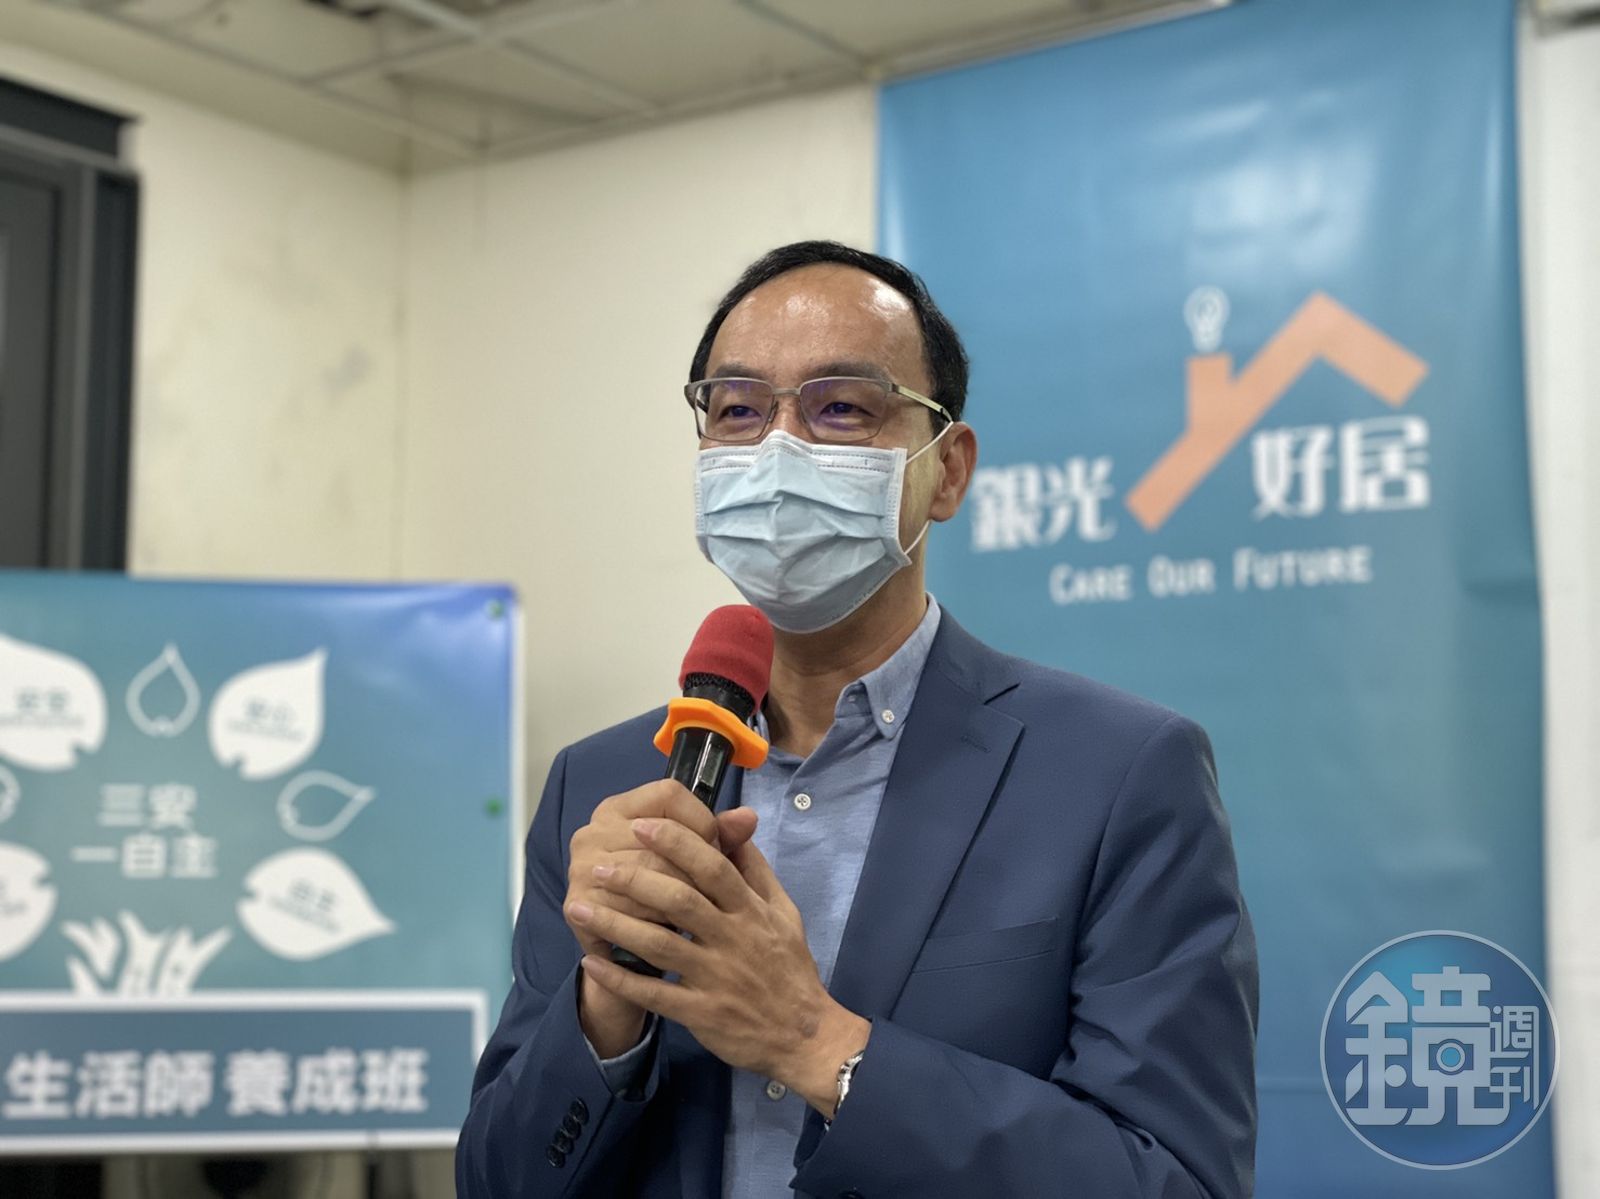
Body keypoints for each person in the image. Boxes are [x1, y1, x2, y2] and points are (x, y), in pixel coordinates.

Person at [456, 241, 1258, 1198]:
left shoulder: (1117, 774)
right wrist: (606, 1005)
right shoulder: (601, 788)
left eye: (841, 407)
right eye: (738, 410)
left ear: (947, 470)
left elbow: (1175, 1180)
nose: (778, 449)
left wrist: (814, 1040)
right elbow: (497, 1180)